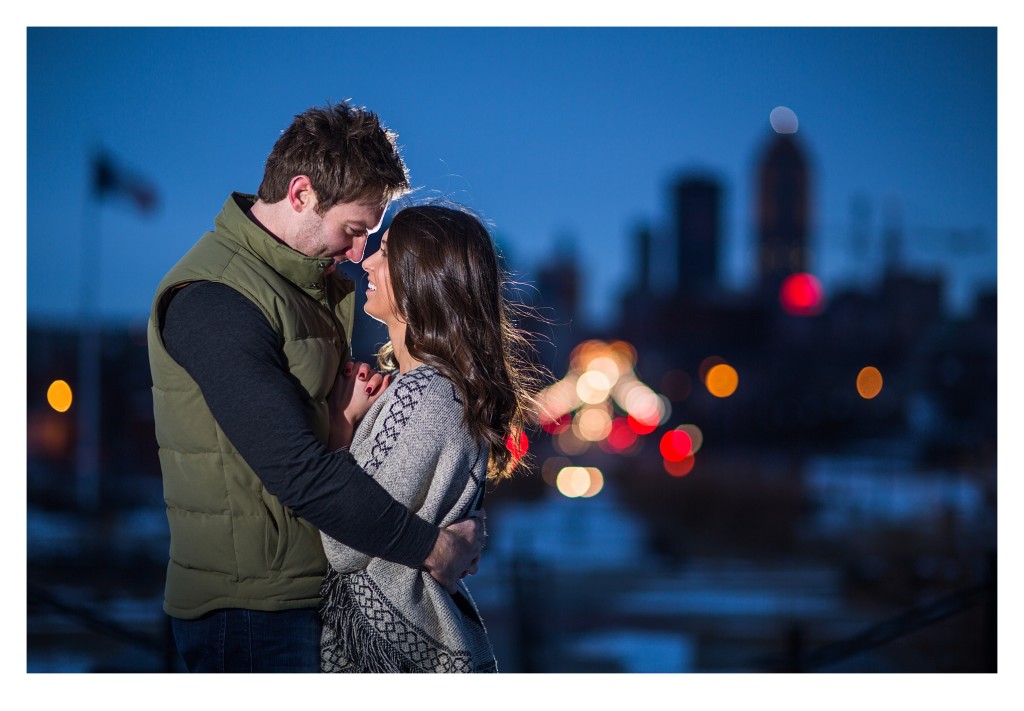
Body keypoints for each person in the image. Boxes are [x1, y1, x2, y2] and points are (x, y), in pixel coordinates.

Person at [147, 102, 484, 673]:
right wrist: (434, 548)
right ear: (301, 194)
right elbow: (296, 469)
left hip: (309, 596)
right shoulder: (216, 300)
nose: (359, 254)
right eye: (354, 231)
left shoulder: (299, 281)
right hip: (253, 609)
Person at [319, 204, 541, 673]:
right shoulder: (430, 389)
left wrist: (340, 428)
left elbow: (343, 546)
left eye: (385, 253)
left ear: (422, 277)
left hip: (394, 657)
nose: (366, 263)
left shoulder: (426, 395)